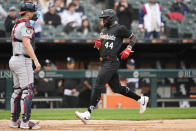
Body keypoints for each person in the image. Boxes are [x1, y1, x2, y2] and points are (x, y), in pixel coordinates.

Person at [75, 9, 149, 124]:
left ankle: (88, 113)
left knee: (98, 83)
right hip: (104, 61)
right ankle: (141, 99)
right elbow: (101, 48)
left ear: (112, 18)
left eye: (105, 18)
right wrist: (98, 45)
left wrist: (128, 48)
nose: (103, 20)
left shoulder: (120, 28)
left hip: (112, 62)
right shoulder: (104, 29)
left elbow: (133, 37)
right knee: (117, 88)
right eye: (103, 18)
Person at [9, 2, 41, 129]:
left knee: (17, 91)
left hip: (14, 59)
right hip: (23, 60)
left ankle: (14, 121)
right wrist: (36, 61)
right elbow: (27, 45)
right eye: (32, 11)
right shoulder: (26, 25)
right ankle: (25, 122)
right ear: (27, 13)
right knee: (28, 90)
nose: (34, 14)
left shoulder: (17, 23)